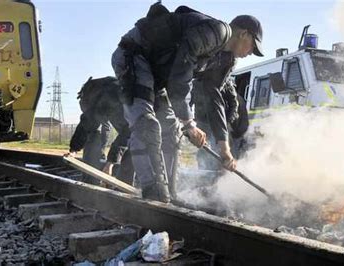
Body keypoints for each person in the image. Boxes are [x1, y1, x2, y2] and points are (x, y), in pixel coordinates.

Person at [111, 3, 263, 202]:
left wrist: (224, 147)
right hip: (135, 55)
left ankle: (169, 195)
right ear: (244, 34)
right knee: (147, 124)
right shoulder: (217, 32)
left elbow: (213, 98)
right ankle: (154, 192)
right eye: (253, 46)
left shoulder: (225, 59)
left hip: (158, 76)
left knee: (172, 131)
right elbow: (180, 72)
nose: (250, 53)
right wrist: (189, 124)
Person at [68, 76, 133, 185]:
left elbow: (128, 133)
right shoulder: (101, 97)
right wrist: (73, 150)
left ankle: (124, 187)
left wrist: (110, 163)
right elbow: (87, 124)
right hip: (112, 100)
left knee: (134, 145)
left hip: (145, 121)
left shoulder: (112, 99)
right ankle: (95, 180)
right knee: (94, 134)